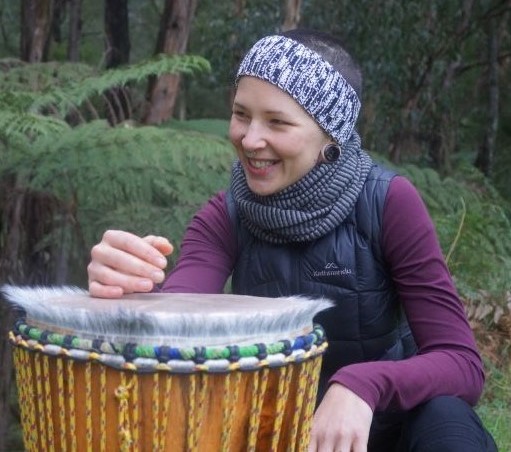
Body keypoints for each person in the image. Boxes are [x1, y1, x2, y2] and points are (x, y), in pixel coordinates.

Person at [87, 29, 497, 451]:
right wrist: (127, 291)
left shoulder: (387, 201)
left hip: (387, 429)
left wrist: (361, 384)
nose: (249, 139)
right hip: (275, 435)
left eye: (277, 122)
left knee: (448, 419)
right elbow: (177, 331)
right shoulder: (224, 216)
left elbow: (461, 364)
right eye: (241, 114)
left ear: (330, 135)